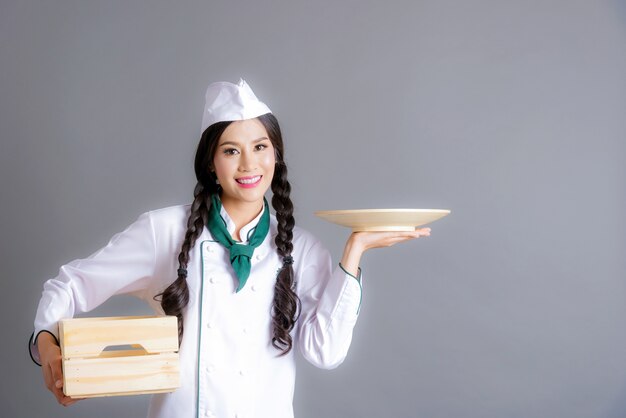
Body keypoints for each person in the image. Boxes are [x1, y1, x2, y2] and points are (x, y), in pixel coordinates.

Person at [29, 79, 431, 418]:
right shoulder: (164, 231)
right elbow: (72, 284)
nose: (247, 165)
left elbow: (325, 352)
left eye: (260, 147)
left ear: (276, 155)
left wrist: (354, 251)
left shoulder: (300, 248)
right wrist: (46, 344)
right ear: (210, 163)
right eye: (230, 150)